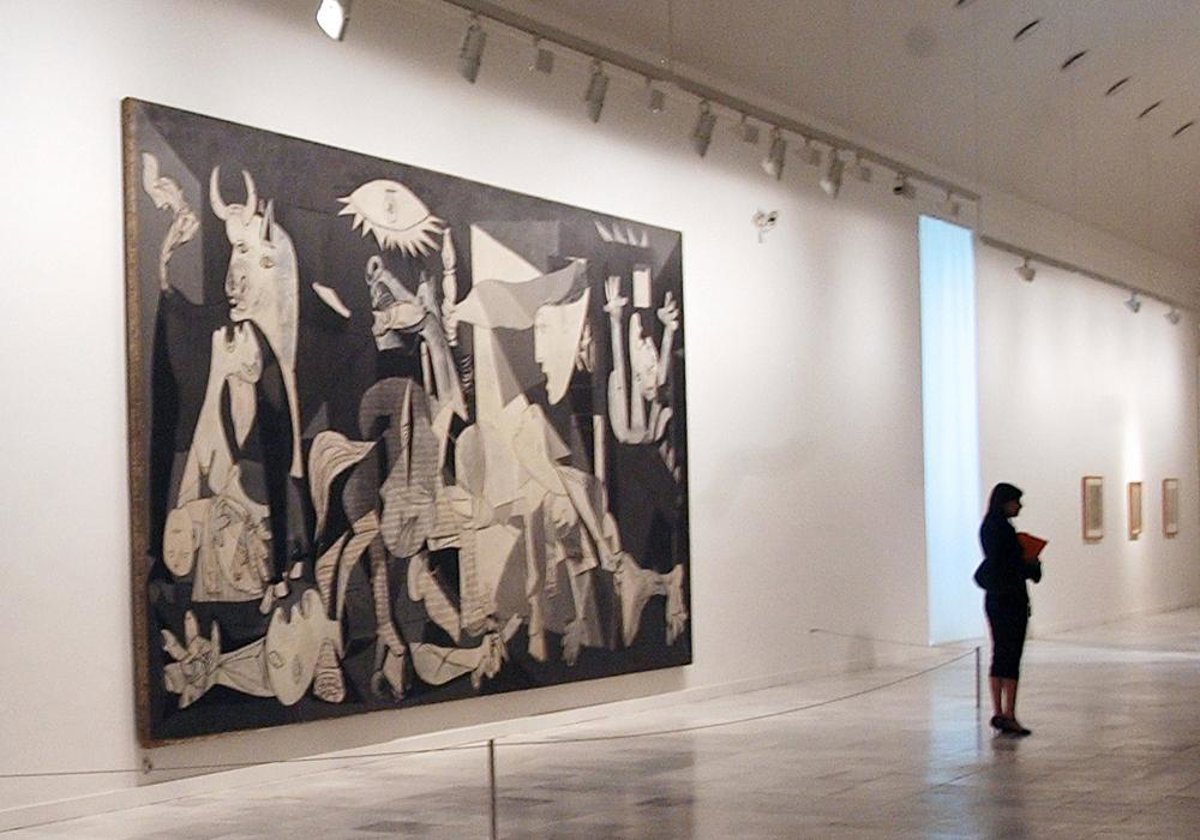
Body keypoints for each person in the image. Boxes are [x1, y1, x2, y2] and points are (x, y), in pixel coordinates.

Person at [978, 482, 1042, 736]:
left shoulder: (988, 527)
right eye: (1016, 501)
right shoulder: (1004, 531)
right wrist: (1031, 562)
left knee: (999, 654)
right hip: (1011, 599)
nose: (1019, 506)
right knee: (1012, 655)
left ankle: (998, 711)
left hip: (995, 599)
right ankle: (1009, 713)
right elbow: (1013, 565)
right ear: (1005, 502)